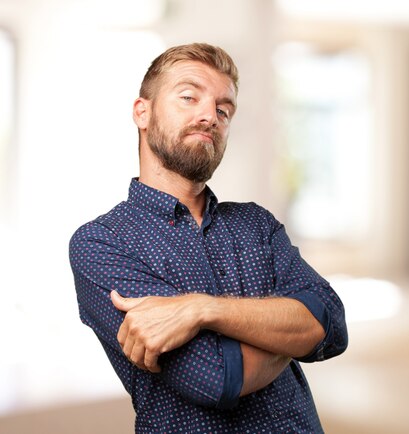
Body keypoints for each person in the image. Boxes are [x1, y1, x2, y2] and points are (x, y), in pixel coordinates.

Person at [69, 42, 348, 433]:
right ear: (142, 112)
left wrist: (200, 309)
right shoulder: (102, 243)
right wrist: (291, 331)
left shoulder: (256, 224)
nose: (209, 116)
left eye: (223, 109)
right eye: (188, 97)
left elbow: (332, 324)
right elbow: (216, 378)